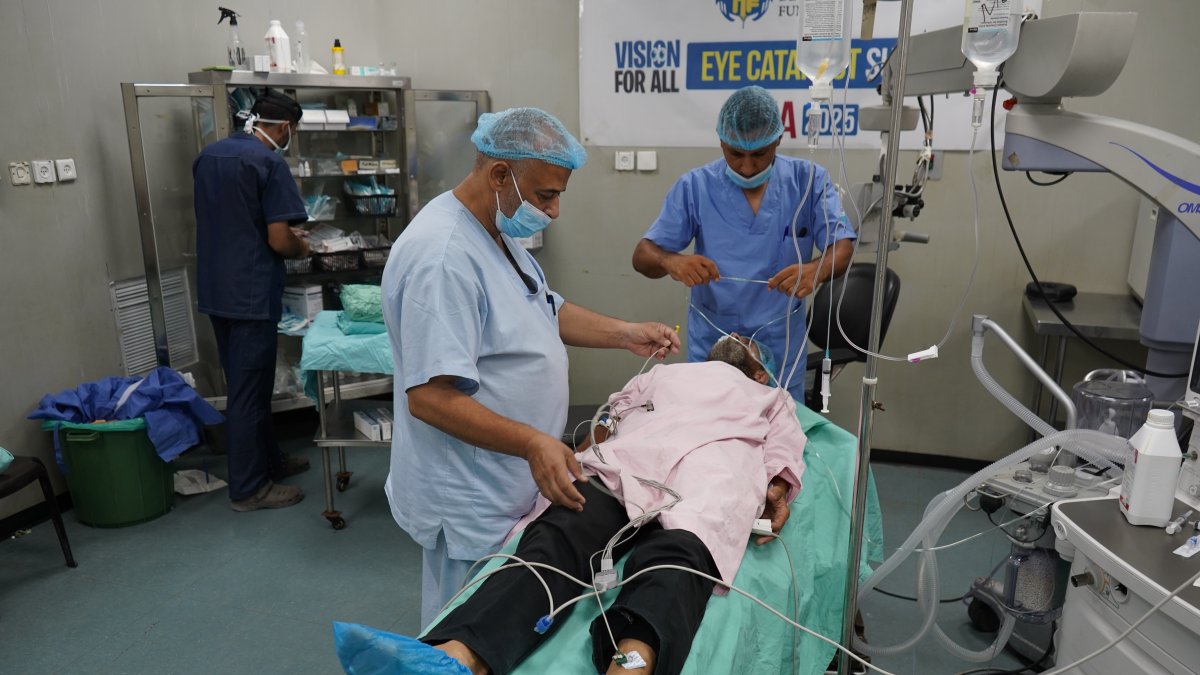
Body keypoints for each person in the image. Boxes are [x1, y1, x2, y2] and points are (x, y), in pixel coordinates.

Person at [334, 336, 805, 675]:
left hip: (697, 469)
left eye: (744, 342)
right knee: (569, 537)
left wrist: (778, 493)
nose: (736, 339)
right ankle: (454, 660)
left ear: (758, 371)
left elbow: (781, 458)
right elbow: (611, 419)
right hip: (639, 463)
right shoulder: (670, 373)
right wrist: (776, 496)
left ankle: (479, 658)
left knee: (658, 559)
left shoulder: (770, 394)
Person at [381, 107, 682, 627]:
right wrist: (533, 442)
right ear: (500, 175)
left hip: (509, 480)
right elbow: (429, 396)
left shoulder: (496, 235)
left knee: (508, 620)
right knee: (468, 630)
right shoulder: (443, 258)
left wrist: (624, 333)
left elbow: (544, 309)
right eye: (546, 195)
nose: (555, 210)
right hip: (471, 492)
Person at [632, 85, 857, 401]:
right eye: (735, 154)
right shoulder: (696, 187)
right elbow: (642, 256)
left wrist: (816, 270)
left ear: (777, 140)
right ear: (721, 141)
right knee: (712, 434)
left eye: (759, 154)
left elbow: (842, 246)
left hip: (780, 346)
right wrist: (673, 262)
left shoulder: (808, 182)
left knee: (778, 434)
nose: (747, 167)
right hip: (713, 346)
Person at [192, 88, 312, 512]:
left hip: (216, 289)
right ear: (284, 127)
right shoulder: (268, 162)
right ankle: (249, 488)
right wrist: (302, 247)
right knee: (249, 393)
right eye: (291, 131)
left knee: (246, 385)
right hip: (251, 292)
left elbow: (229, 218)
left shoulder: (210, 157)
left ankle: (269, 463)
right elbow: (278, 239)